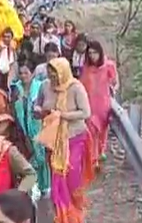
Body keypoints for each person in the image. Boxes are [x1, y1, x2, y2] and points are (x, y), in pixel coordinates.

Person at [35, 58, 94, 223]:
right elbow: (37, 105)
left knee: (71, 176)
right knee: (57, 178)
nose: (52, 78)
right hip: (53, 140)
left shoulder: (75, 88)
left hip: (73, 138)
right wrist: (40, 111)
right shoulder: (45, 86)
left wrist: (63, 115)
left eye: (55, 74)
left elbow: (85, 112)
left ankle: (74, 212)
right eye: (50, 74)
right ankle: (61, 214)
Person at [10, 58, 50, 197]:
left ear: (32, 73)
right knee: (27, 157)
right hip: (22, 129)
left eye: (26, 73)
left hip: (38, 127)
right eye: (21, 73)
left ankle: (44, 186)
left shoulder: (40, 87)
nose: (23, 76)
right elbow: (13, 108)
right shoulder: (16, 88)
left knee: (40, 157)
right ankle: (32, 187)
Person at [79, 40, 118, 167]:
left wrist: (113, 89)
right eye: (90, 53)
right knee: (91, 131)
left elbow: (114, 82)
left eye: (95, 53)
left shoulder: (109, 65)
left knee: (102, 130)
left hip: (103, 104)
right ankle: (93, 158)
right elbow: (82, 84)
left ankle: (101, 151)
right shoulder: (86, 67)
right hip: (89, 104)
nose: (92, 56)